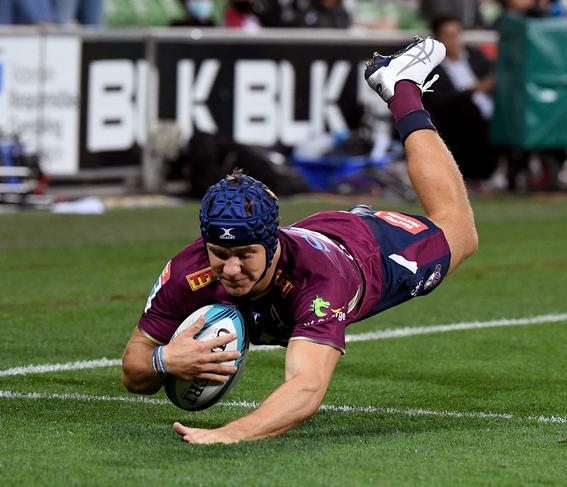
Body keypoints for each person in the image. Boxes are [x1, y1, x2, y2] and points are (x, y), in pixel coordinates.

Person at [121, 37, 479, 444]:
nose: (231, 269)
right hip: (312, 236)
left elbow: (306, 390)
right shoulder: (190, 271)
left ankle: (402, 89)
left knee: (460, 231)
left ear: (273, 246)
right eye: (220, 254)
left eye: (245, 255)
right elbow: (133, 370)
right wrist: (164, 359)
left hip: (365, 254)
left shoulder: (319, 283)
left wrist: (228, 434)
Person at [424, 15, 498, 182]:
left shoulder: (474, 56)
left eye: (456, 35)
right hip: (460, 119)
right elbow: (441, 100)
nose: (454, 41)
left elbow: (494, 77)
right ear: (438, 38)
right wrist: (473, 90)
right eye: (448, 36)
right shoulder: (433, 68)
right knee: (467, 110)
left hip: (492, 111)